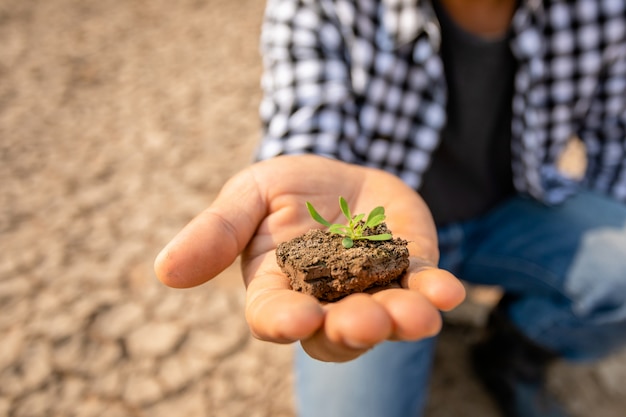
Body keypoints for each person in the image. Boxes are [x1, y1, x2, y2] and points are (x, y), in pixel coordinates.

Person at [155, 0, 626, 416]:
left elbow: (615, 142)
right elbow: (307, 121)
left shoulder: (601, 9)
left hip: (513, 212)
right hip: (401, 229)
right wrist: (299, 172)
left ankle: (512, 348)